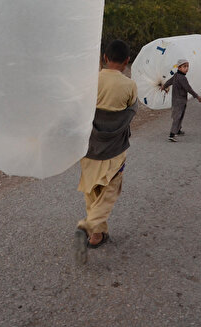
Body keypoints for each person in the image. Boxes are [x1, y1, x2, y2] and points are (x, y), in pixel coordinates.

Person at [75, 39, 138, 264]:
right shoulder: (130, 85)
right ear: (126, 61)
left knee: (92, 190)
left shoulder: (90, 81)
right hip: (115, 149)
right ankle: (87, 227)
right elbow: (132, 110)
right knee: (109, 192)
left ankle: (97, 236)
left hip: (89, 147)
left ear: (104, 58)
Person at [160, 58, 201, 142]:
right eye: (184, 66)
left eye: (187, 66)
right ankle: (172, 134)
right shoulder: (182, 78)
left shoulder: (176, 75)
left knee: (180, 115)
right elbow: (188, 88)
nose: (186, 68)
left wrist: (164, 86)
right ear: (179, 68)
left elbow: (169, 81)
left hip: (177, 100)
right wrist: (196, 96)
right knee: (177, 117)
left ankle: (178, 130)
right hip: (180, 101)